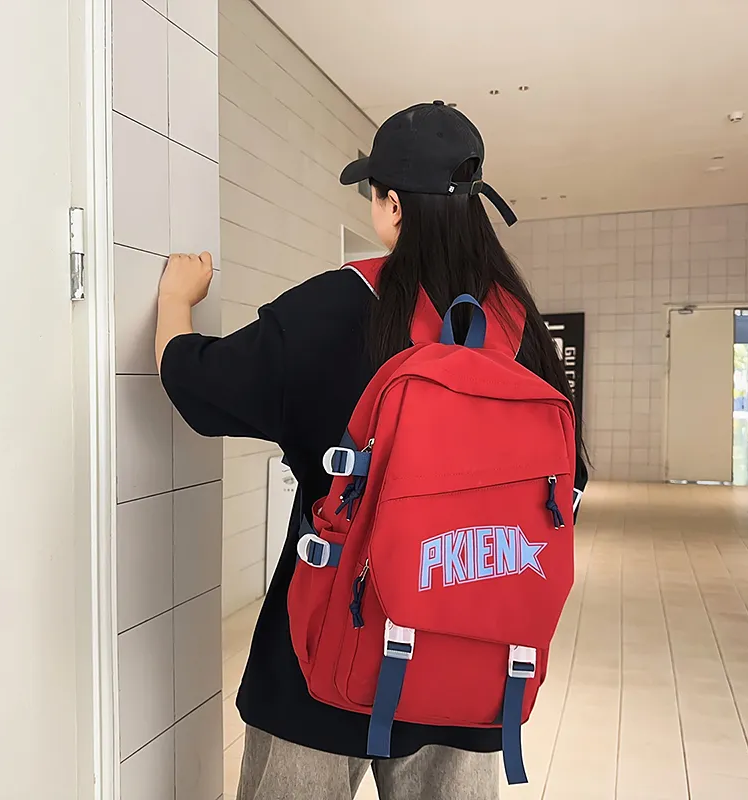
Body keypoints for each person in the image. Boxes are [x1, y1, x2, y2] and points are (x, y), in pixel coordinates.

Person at [156, 101, 589, 800]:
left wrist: (177, 301)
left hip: (324, 651)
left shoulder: (335, 308)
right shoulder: (522, 329)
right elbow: (569, 485)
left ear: (392, 206)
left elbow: (196, 387)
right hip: (472, 662)